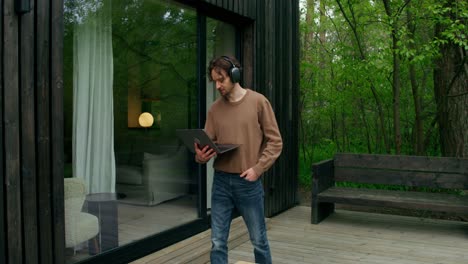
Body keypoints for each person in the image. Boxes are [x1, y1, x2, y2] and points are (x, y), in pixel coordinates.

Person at [194, 55, 283, 264]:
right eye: (214, 81)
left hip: (248, 183)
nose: (217, 86)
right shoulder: (215, 109)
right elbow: (207, 143)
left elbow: (275, 142)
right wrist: (200, 156)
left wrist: (258, 169)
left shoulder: (258, 102)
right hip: (221, 183)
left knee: (259, 240)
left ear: (235, 75)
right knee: (217, 241)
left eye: (221, 79)